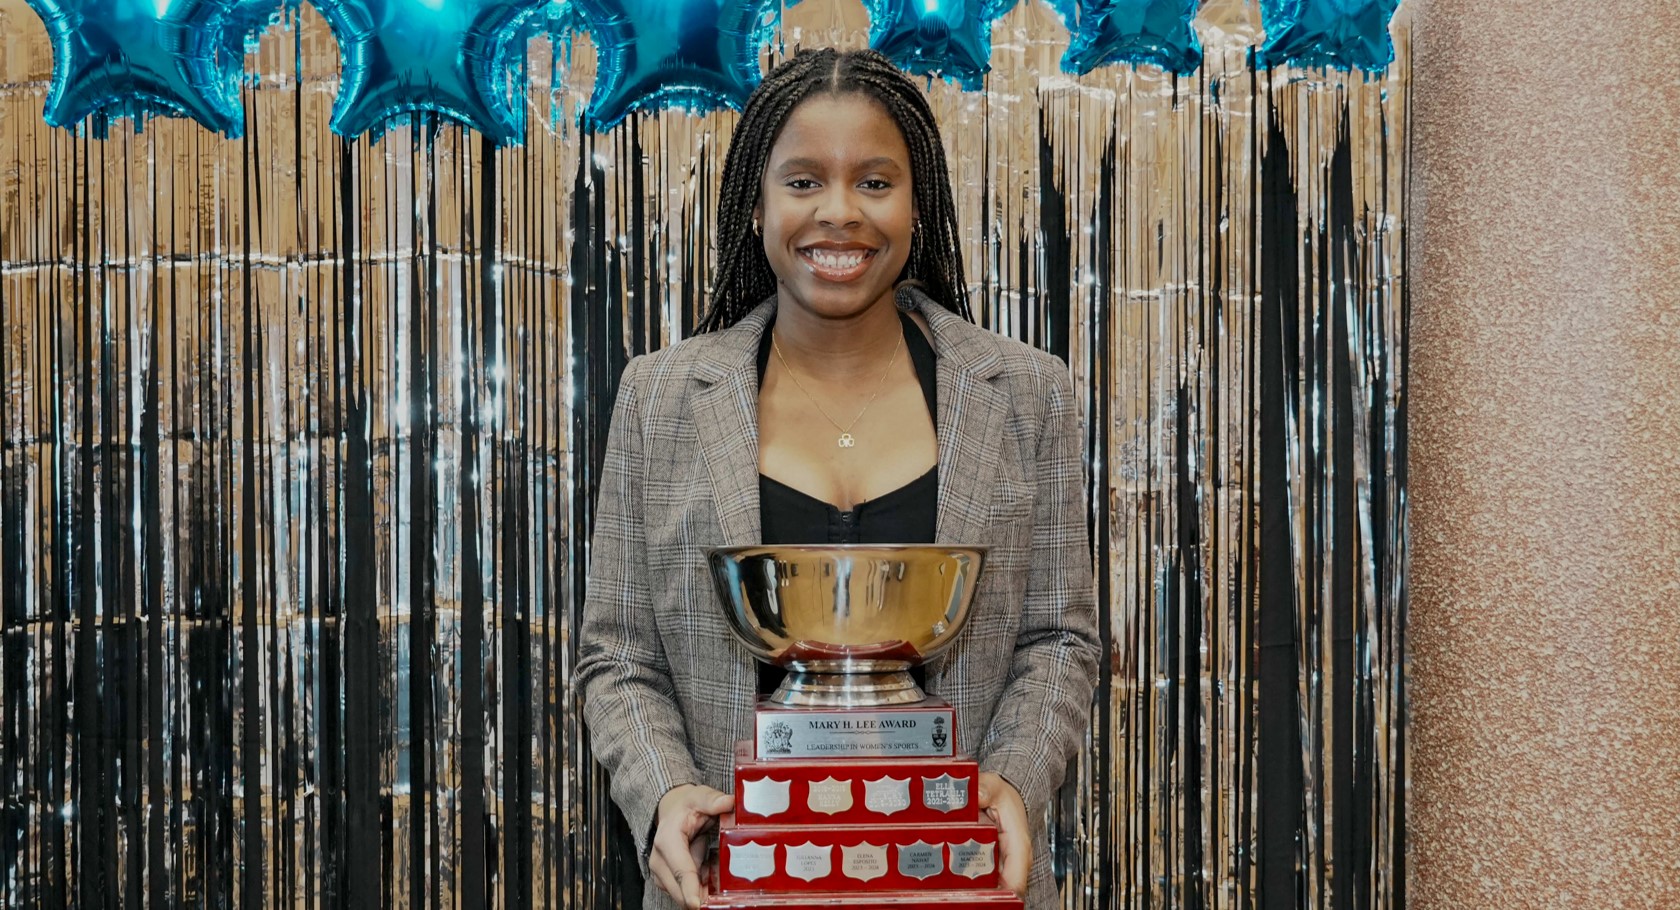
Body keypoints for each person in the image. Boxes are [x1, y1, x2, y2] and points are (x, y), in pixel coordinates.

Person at [576, 47, 1100, 910]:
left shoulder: (1024, 390)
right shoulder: (661, 395)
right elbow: (619, 654)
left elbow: (1059, 639)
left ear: (917, 204)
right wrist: (666, 794)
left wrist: (1010, 785)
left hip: (959, 888)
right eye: (804, 181)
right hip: (728, 888)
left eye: (875, 183)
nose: (840, 213)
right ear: (755, 204)